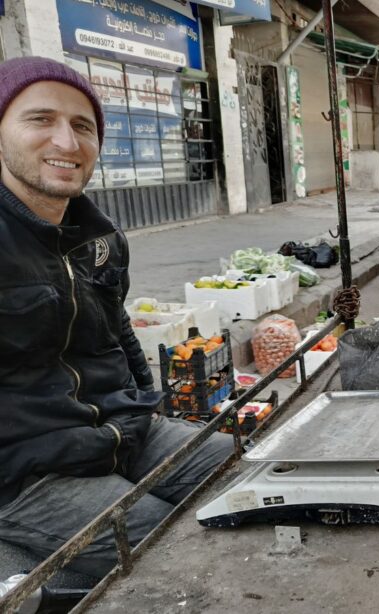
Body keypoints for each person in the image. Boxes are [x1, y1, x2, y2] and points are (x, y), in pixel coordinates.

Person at [0, 57, 234, 579]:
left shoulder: (98, 236)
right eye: (40, 120)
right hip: (31, 472)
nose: (66, 142)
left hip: (124, 433)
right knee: (180, 561)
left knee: (251, 482)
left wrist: (145, 406)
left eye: (83, 126)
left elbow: (119, 330)